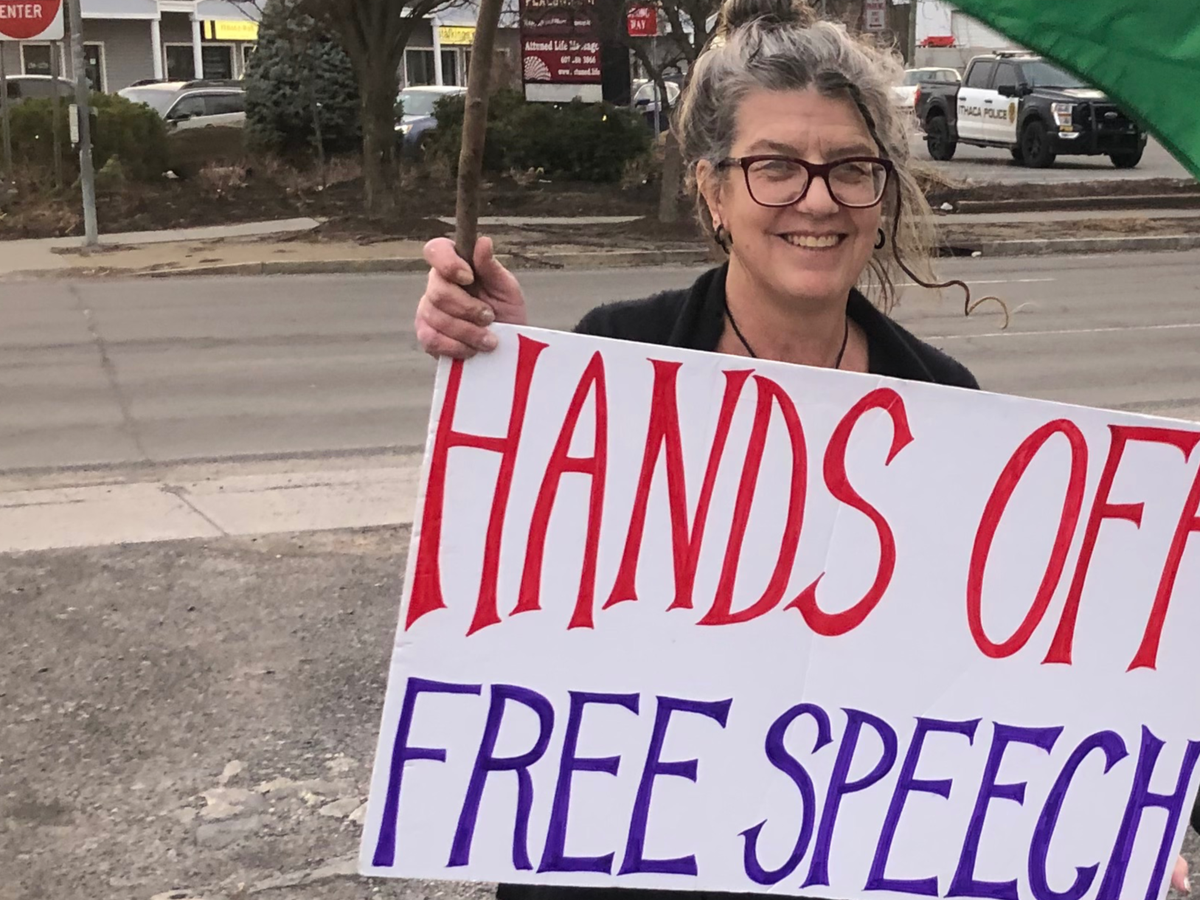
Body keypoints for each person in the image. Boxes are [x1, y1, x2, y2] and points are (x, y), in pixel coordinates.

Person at [414, 0, 1193, 893]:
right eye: (774, 166)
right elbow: (523, 613)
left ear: (882, 194)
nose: (817, 200)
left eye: (851, 169)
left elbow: (997, 669)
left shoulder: (946, 404)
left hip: (839, 859)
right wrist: (510, 371)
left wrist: (1095, 818)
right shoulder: (620, 360)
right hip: (635, 861)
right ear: (713, 191)